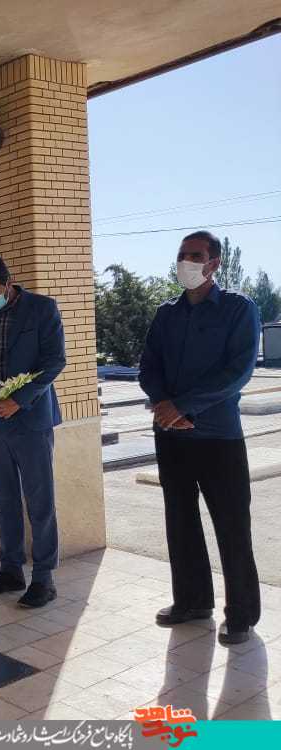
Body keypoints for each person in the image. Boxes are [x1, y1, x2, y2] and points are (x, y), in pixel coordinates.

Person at [139, 230, 261, 646]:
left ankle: (241, 614)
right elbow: (149, 365)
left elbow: (238, 372)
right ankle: (192, 601)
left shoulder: (238, 309)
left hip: (218, 438)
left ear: (214, 263)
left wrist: (183, 406)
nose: (186, 262)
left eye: (195, 255)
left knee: (232, 525)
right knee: (180, 521)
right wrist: (163, 404)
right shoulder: (166, 314)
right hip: (171, 436)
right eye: (182, 255)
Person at [0, 254, 66, 609]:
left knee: (39, 501)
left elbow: (55, 362)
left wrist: (19, 400)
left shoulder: (42, 309)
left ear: (8, 282)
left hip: (30, 421)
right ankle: (10, 570)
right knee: (5, 501)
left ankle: (44, 578)